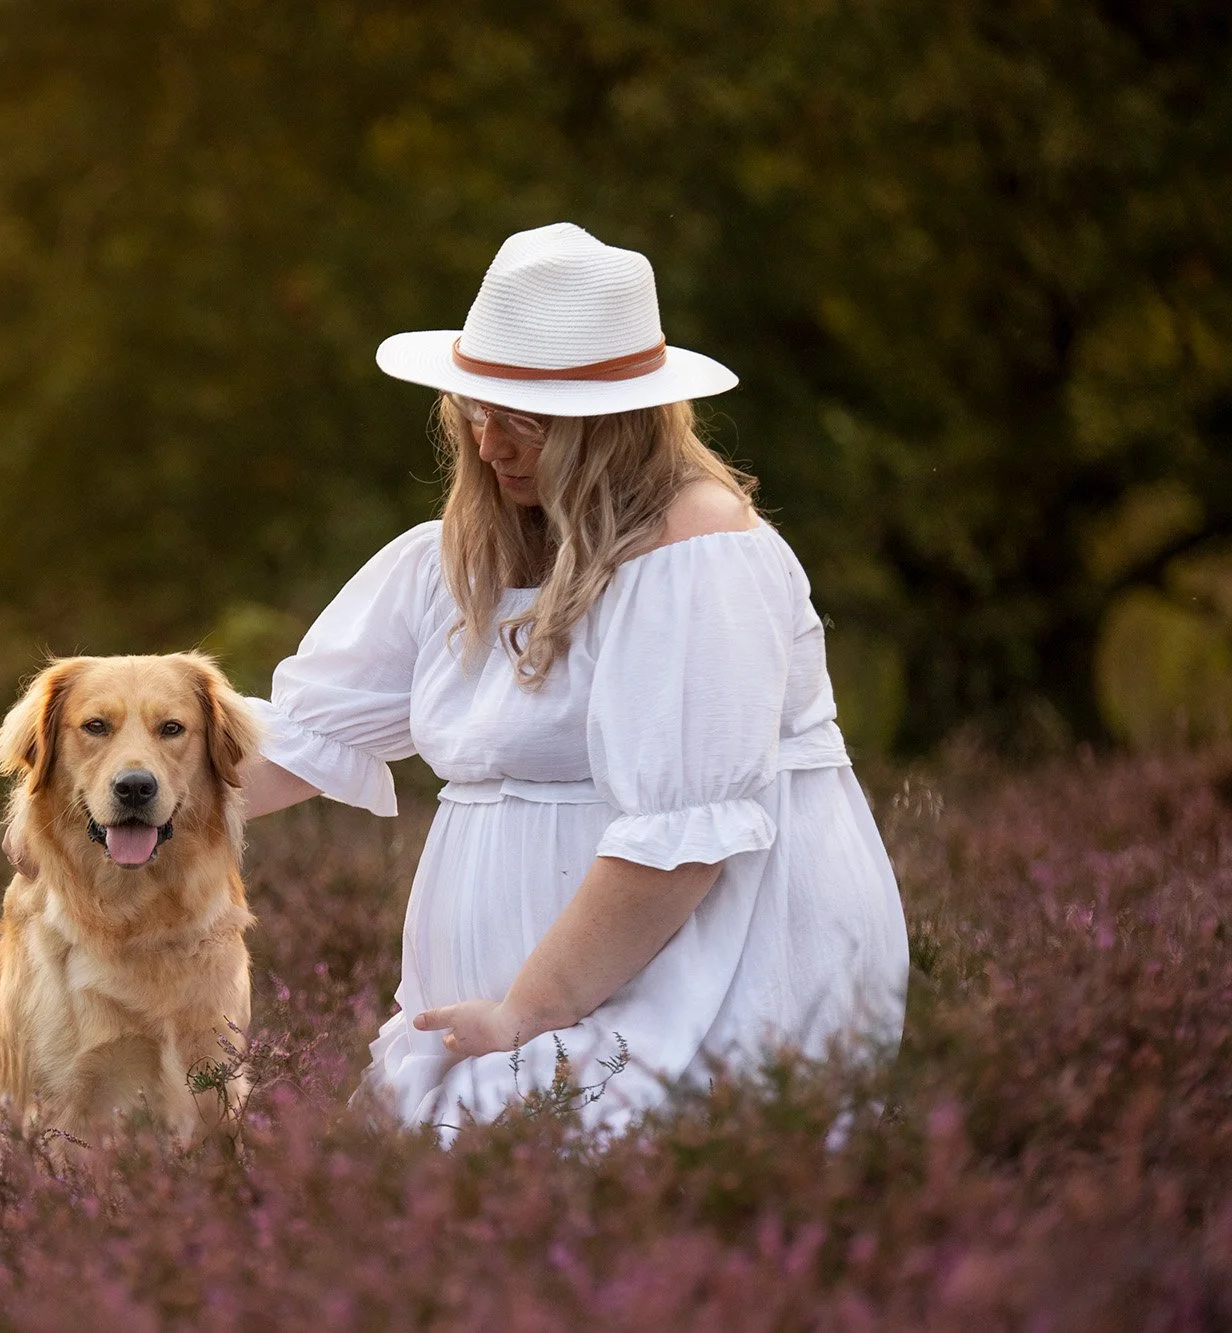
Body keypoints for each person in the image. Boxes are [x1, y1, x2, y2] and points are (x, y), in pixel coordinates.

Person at [237, 223, 910, 1136]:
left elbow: (680, 845)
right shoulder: (458, 558)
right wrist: (103, 814)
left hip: (697, 968)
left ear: (615, 426)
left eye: (527, 420)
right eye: (477, 409)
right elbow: (304, 741)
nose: (491, 442)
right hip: (523, 1007)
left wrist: (527, 1012)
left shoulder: (697, 553)